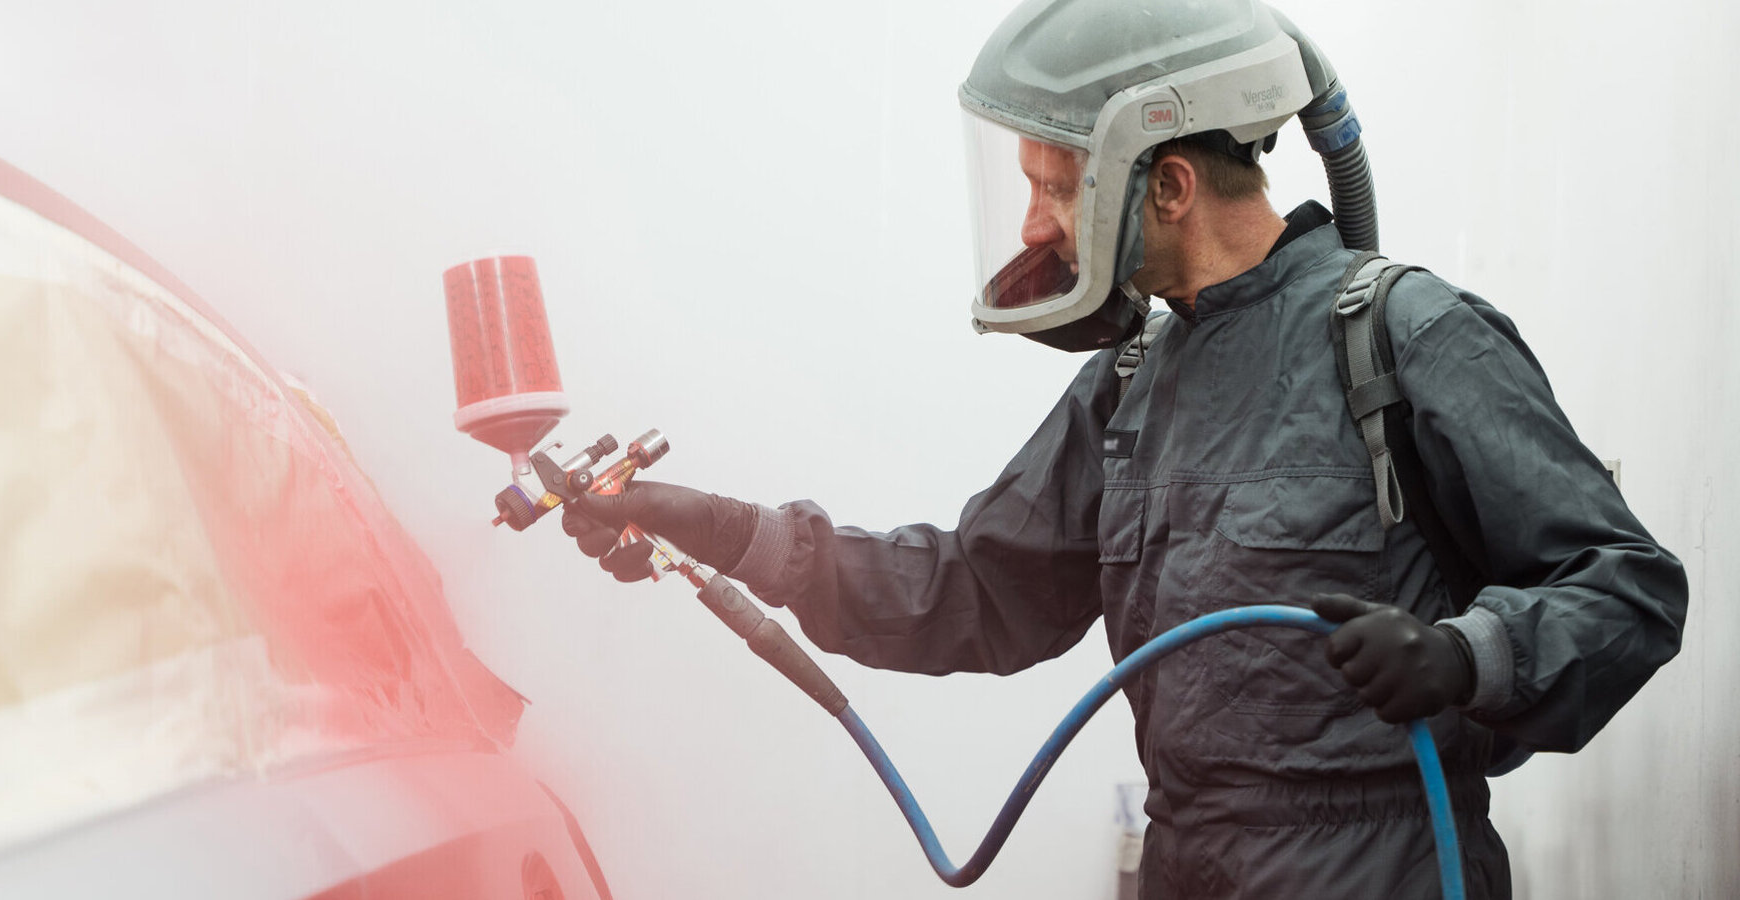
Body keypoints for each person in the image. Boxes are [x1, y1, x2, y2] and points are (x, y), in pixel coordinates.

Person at [561, 1, 1689, 896]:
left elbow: (1629, 590)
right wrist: (737, 534)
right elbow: (973, 590)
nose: (1033, 229)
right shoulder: (1133, 384)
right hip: (1184, 865)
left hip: (1380, 866)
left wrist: (1468, 655)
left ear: (1171, 184)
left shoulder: (1406, 334)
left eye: (1057, 188)